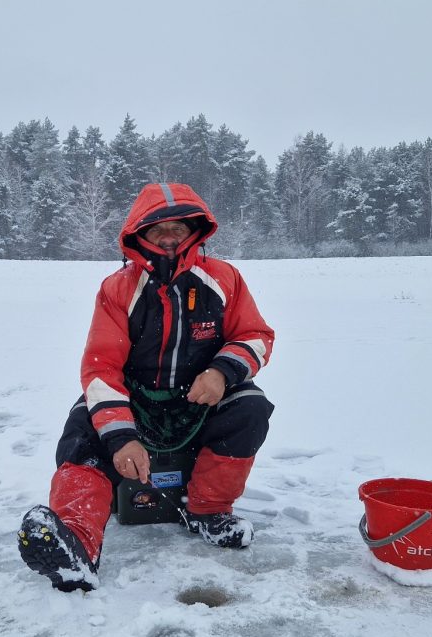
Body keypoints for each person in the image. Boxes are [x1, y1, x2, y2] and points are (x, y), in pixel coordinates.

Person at [17, 183, 276, 592]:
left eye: (177, 228)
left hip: (200, 400)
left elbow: (257, 337)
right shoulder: (117, 289)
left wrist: (222, 372)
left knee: (251, 407)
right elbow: (102, 368)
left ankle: (207, 512)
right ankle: (77, 544)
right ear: (139, 236)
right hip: (136, 401)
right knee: (83, 424)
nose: (169, 237)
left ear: (195, 230)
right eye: (158, 230)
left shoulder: (224, 278)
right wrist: (121, 437)